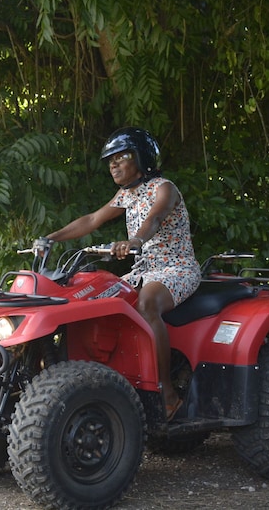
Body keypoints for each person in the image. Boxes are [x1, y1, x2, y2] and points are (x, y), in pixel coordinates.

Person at [45, 127, 200, 421]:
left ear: (141, 159)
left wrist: (135, 241)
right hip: (143, 271)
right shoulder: (126, 195)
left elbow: (155, 217)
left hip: (175, 268)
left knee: (146, 303)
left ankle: (167, 394)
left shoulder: (165, 188)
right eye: (110, 160)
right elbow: (92, 219)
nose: (113, 164)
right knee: (96, 300)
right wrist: (50, 238)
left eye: (122, 157)